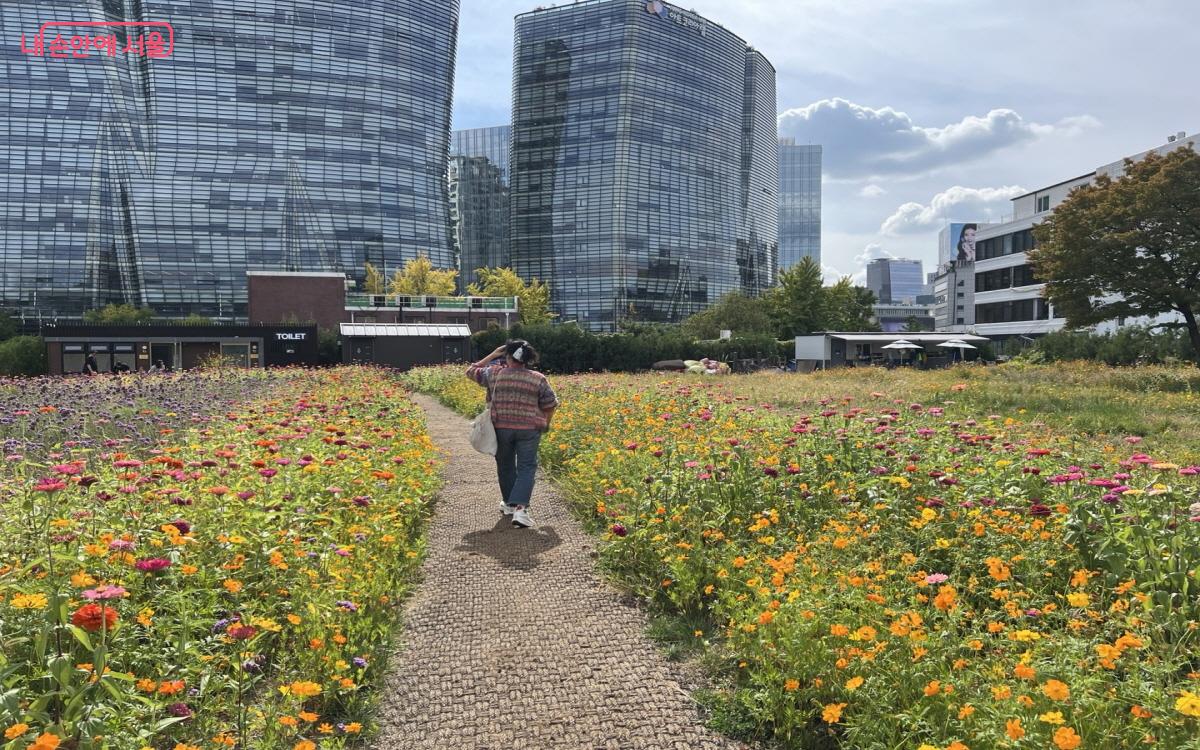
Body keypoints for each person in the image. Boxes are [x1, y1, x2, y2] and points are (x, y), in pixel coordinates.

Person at [465, 340, 559, 529]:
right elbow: (550, 404)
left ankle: (509, 504)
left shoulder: (493, 373)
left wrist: (492, 354)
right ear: (527, 360)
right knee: (527, 467)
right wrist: (546, 424)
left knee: (505, 465)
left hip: (501, 428)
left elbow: (470, 371)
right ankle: (521, 509)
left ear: (506, 356)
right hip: (529, 429)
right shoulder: (537, 378)